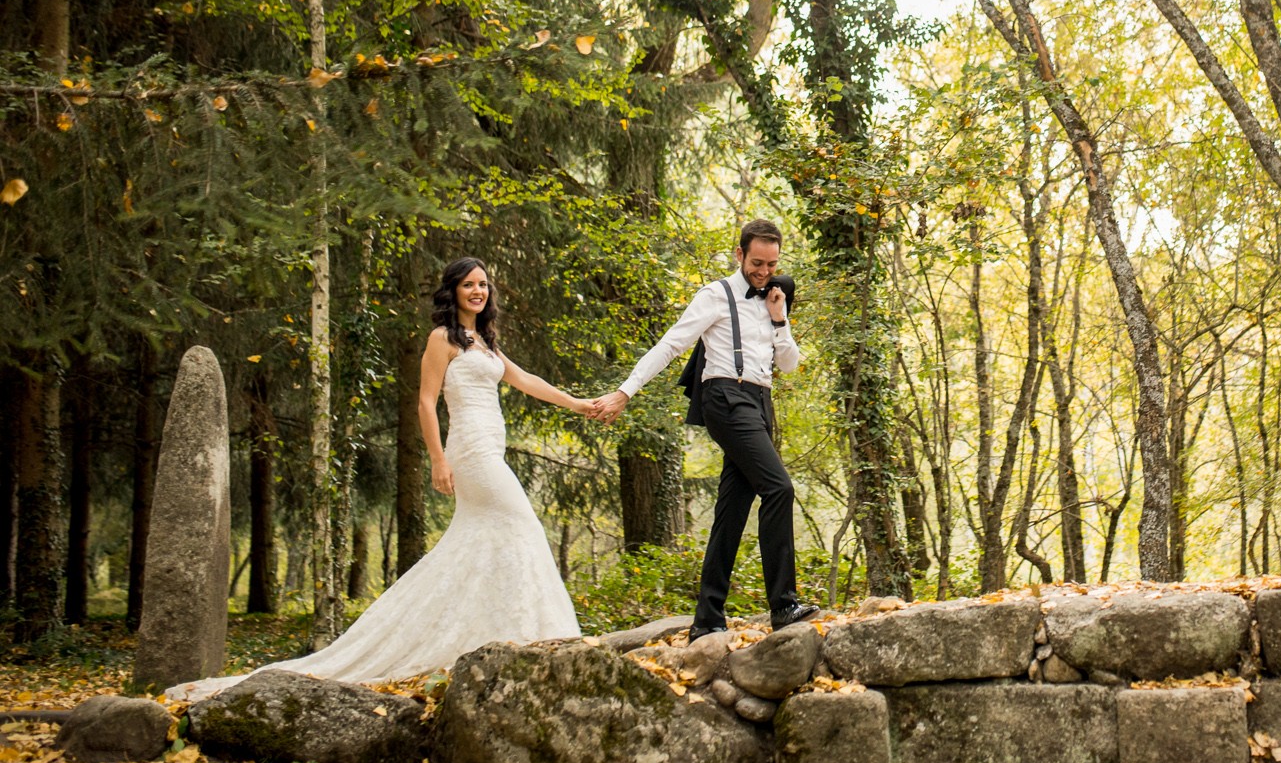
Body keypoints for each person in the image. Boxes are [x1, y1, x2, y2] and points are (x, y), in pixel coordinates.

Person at [167, 257, 592, 701]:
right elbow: (426, 402)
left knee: (485, 540)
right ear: (453, 291)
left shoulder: (484, 342)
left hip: (491, 449)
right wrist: (438, 459)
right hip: (471, 454)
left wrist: (580, 404)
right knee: (521, 525)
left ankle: (500, 632)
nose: (478, 292)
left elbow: (525, 380)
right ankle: (537, 632)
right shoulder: (441, 339)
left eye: (483, 284)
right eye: (469, 285)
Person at [597, 218, 818, 639]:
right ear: (740, 255)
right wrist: (625, 392)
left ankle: (707, 619)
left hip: (759, 402)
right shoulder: (715, 296)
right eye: (756, 262)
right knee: (779, 488)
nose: (764, 271)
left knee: (732, 510)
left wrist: (779, 318)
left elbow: (788, 364)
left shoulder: (775, 298)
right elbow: (670, 344)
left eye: (771, 264)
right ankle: (784, 605)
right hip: (725, 397)